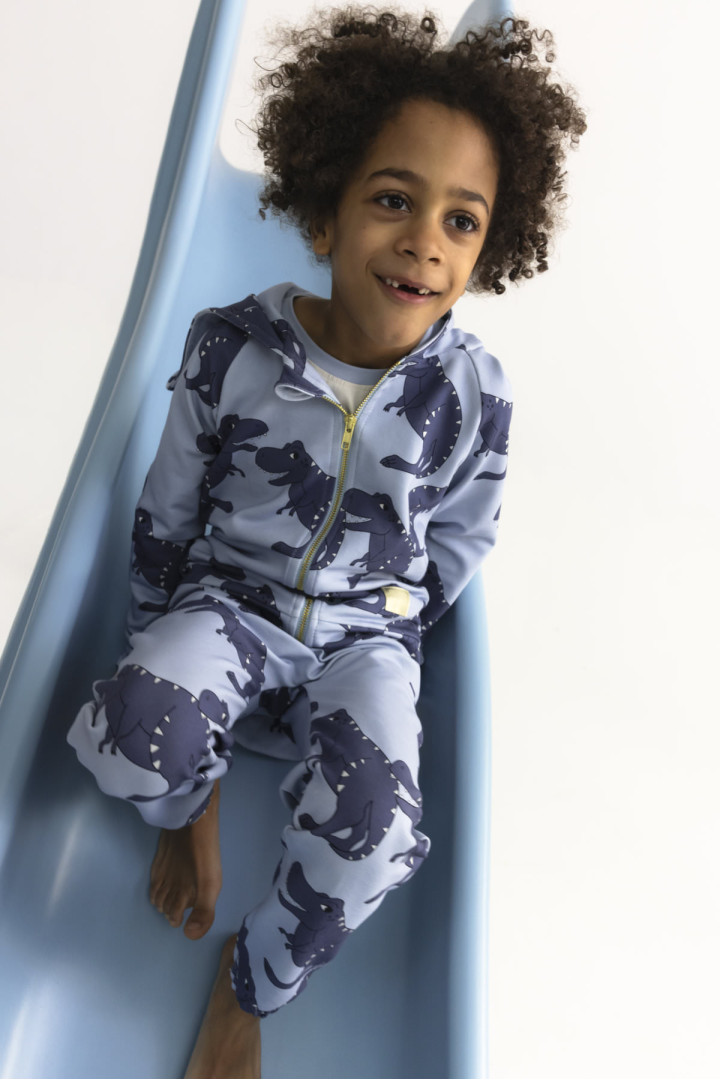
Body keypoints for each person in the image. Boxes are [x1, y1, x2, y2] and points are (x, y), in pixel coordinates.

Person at [67, 7, 585, 1077]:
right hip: (229, 606)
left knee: (376, 842)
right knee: (127, 738)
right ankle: (194, 799)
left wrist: (390, 638)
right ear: (324, 210)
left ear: (489, 245)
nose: (424, 242)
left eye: (461, 221)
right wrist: (164, 659)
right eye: (394, 200)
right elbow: (165, 519)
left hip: (364, 643)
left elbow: (461, 539)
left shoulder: (475, 396)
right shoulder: (230, 350)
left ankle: (250, 984)